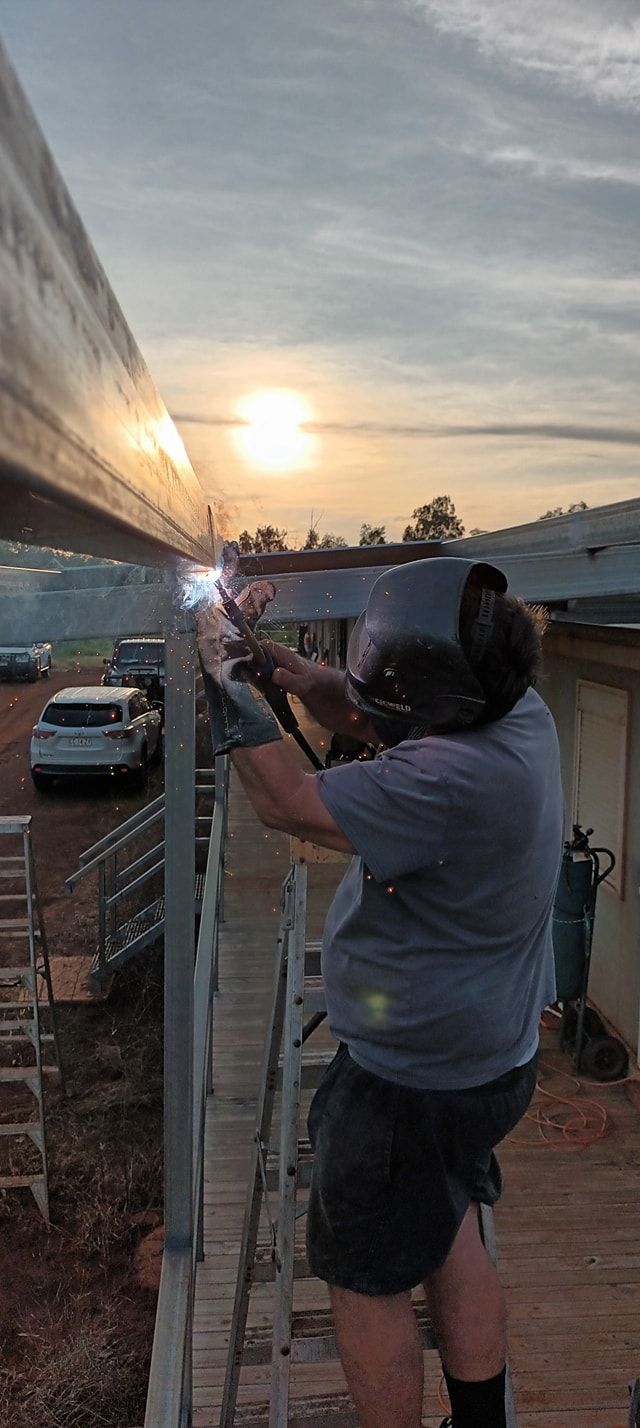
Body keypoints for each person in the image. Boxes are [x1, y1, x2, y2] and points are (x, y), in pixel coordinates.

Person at [196, 550, 565, 1428]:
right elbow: (377, 713)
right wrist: (290, 671)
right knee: (451, 1225)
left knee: (365, 1280)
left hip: (410, 1083)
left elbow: (286, 801)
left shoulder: (449, 780)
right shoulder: (519, 710)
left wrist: (223, 684)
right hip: (490, 1059)